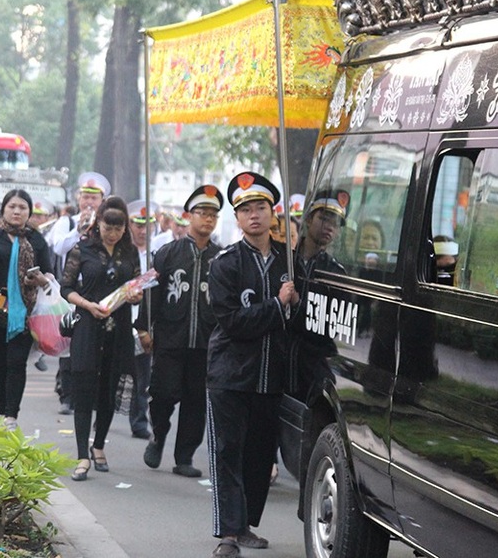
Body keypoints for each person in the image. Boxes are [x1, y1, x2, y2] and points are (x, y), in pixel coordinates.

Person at [206, 171, 299, 558]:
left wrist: (291, 306)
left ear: (273, 213)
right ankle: (228, 533)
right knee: (228, 451)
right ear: (238, 218)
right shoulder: (225, 263)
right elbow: (233, 322)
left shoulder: (290, 263)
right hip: (230, 373)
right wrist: (277, 305)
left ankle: (245, 526)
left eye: (261, 207)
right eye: (246, 210)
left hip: (270, 378)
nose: (254, 215)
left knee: (260, 456)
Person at [138, 185, 223, 478]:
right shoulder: (167, 253)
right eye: (202, 213)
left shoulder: (221, 258)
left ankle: (184, 455)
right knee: (163, 393)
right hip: (170, 338)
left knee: (196, 400)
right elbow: (150, 292)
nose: (208, 220)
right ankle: (158, 436)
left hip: (205, 342)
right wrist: (143, 329)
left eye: (213, 215)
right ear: (189, 216)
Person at [59, 196, 144, 481]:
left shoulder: (130, 252)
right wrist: (86, 304)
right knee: (84, 389)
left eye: (119, 229)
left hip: (118, 328)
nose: (113, 233)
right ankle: (82, 454)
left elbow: (136, 286)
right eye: (108, 227)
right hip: (87, 325)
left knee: (110, 389)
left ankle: (98, 446)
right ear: (99, 223)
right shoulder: (83, 249)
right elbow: (66, 287)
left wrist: (136, 295)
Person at [0, 189, 54, 432]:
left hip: (25, 312)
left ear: (29, 212)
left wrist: (40, 280)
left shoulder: (37, 240)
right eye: (12, 206)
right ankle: (2, 409)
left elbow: (49, 273)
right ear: (3, 209)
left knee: (17, 362)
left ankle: (11, 415)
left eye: (22, 207)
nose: (17, 211)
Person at [50, 172, 110, 415]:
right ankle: (67, 394)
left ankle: (91, 394)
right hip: (71, 289)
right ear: (77, 198)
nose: (89, 203)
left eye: (94, 199)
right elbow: (58, 246)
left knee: (92, 345)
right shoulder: (66, 222)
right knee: (68, 342)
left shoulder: (107, 226)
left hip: (98, 290)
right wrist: (78, 230)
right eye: (85, 197)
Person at [290, 189, 350, 401]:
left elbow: (330, 329)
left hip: (312, 369)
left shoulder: (336, 274)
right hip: (279, 365)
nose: (329, 227)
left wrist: (299, 305)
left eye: (335, 223)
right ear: (307, 219)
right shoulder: (285, 262)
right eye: (324, 218)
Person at [116, 200, 156, 439]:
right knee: (112, 372)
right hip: (120, 317)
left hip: (143, 322)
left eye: (147, 224)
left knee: (142, 377)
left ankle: (139, 422)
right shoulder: (121, 252)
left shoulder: (158, 252)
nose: (142, 230)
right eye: (138, 224)